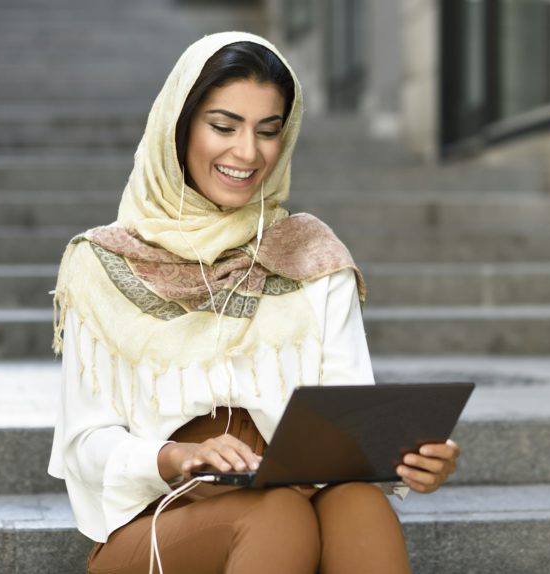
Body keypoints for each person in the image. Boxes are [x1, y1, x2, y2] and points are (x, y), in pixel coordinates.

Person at [48, 31, 460, 574]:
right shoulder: (100, 261)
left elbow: (346, 413)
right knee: (275, 514)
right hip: (157, 524)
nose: (247, 153)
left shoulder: (310, 252)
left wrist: (409, 459)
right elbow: (85, 443)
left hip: (293, 494)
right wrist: (174, 457)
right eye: (223, 126)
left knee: (357, 502)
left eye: (268, 131)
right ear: (179, 125)